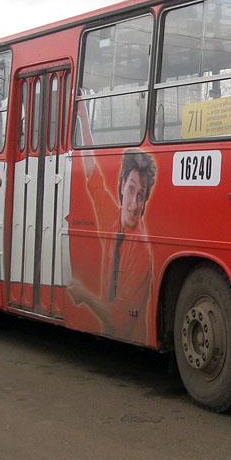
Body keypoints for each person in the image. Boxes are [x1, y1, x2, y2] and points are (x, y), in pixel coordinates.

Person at [67, 142, 157, 344]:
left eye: (141, 196)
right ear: (122, 185)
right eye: (132, 189)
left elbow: (120, 319)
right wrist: (82, 115)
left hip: (132, 344)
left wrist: (84, 295)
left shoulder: (141, 251)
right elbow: (93, 176)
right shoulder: (114, 219)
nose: (134, 204)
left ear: (145, 202)